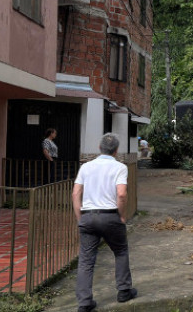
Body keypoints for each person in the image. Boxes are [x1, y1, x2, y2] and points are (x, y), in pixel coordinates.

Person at [72, 133, 137, 312]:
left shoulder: (86, 167)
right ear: (116, 151)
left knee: (86, 260)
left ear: (99, 148)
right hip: (110, 216)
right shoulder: (120, 167)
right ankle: (124, 291)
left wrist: (80, 218)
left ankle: (84, 302)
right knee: (121, 251)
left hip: (87, 216)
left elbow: (75, 193)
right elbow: (122, 194)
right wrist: (121, 216)